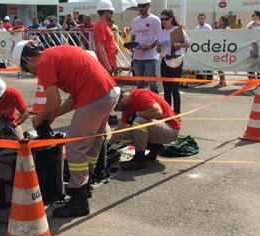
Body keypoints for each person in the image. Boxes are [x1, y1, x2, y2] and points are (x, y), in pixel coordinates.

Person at [12, 41, 120, 218]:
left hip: (96, 94)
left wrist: (40, 117)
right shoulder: (56, 54)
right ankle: (86, 184)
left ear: (29, 59)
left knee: (74, 146)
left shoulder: (44, 62)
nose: (32, 73)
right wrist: (53, 114)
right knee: (93, 143)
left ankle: (79, 200)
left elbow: (53, 100)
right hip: (109, 92)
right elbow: (72, 98)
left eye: (28, 70)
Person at [110, 89, 180, 171]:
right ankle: (155, 147)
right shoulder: (126, 108)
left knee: (139, 121)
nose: (117, 111)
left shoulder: (139, 95)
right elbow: (119, 128)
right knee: (122, 135)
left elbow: (158, 112)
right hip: (158, 130)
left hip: (170, 130)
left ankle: (139, 159)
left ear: (121, 100)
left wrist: (137, 114)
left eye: (116, 108)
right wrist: (108, 146)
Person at [157, 9, 190, 115]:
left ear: (172, 18)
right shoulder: (161, 31)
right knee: (166, 89)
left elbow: (188, 44)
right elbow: (158, 50)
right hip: (165, 61)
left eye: (165, 19)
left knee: (174, 89)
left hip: (176, 61)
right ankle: (167, 113)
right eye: (161, 19)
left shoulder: (177, 29)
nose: (163, 21)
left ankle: (177, 113)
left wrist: (178, 45)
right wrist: (158, 46)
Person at [130, 0, 161, 94]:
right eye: (139, 6)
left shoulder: (155, 20)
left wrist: (150, 47)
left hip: (150, 57)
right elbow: (133, 36)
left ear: (148, 6)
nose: (141, 8)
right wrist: (131, 45)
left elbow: (160, 36)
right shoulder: (135, 20)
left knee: (152, 84)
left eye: (143, 6)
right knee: (139, 83)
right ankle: (143, 104)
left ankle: (157, 104)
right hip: (137, 56)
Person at [94, 0, 117, 75]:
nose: (112, 15)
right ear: (106, 12)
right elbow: (100, 47)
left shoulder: (104, 26)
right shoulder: (100, 26)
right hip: (105, 65)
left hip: (109, 64)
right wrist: (107, 66)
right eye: (111, 12)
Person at [194, 13, 213, 84]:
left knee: (206, 64)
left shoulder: (208, 27)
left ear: (205, 19)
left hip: (206, 48)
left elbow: (210, 37)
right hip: (198, 49)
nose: (201, 20)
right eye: (200, 18)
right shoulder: (196, 28)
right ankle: (198, 80)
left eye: (202, 18)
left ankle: (206, 80)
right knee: (198, 64)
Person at [214, 15, 231, 88]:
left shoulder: (227, 29)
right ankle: (222, 81)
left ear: (224, 21)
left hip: (225, 49)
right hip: (219, 49)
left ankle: (222, 81)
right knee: (219, 66)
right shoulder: (219, 28)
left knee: (220, 66)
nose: (219, 21)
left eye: (220, 20)